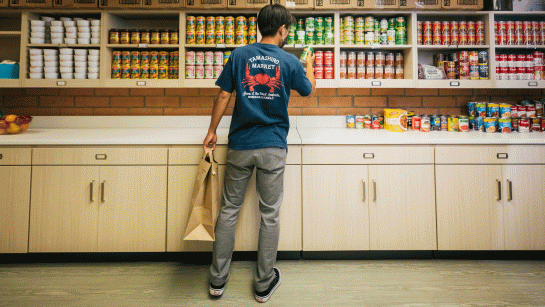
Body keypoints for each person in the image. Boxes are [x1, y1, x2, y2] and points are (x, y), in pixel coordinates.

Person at [202, 4, 316, 303]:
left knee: (228, 211)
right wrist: (310, 64)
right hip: (273, 147)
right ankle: (263, 285)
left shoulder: (240, 55)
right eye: (287, 29)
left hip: (240, 144)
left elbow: (224, 94)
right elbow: (308, 90)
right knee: (270, 215)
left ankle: (217, 281)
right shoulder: (290, 62)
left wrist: (212, 131)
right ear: (282, 30)